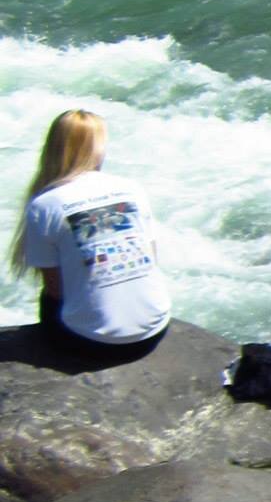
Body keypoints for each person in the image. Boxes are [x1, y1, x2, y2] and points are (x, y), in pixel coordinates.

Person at [10, 109, 172, 359]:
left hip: (93, 344)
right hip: (155, 329)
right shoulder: (131, 188)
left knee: (49, 300)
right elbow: (151, 259)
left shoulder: (44, 205)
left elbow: (56, 291)